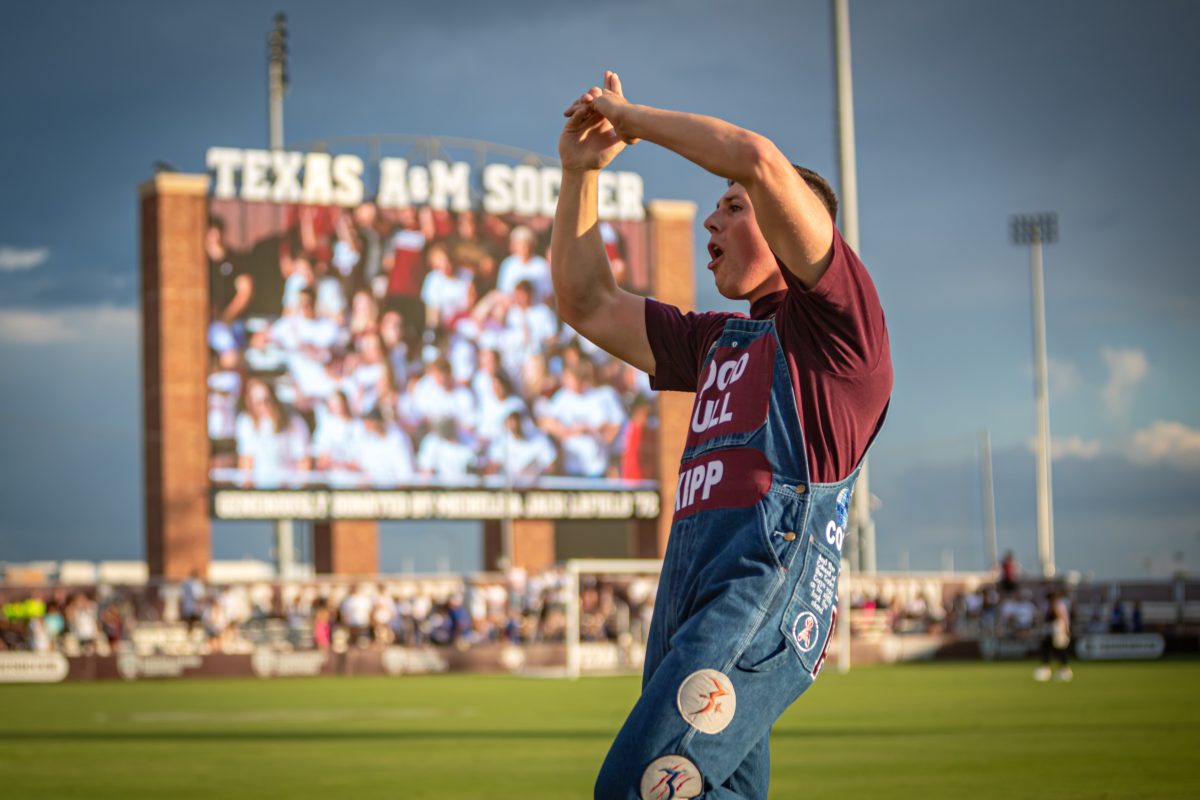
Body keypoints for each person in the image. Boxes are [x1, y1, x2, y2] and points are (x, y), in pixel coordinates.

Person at [551, 72, 891, 798]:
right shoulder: (717, 343)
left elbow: (758, 160)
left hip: (758, 596)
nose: (712, 221)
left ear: (787, 221)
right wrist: (579, 174)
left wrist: (632, 118)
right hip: (692, 604)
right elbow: (586, 301)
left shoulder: (837, 331)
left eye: (732, 208)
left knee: (631, 790)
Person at [1035, 590, 1072, 682]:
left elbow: (1062, 618)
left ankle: (1064, 670)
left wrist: (1066, 630)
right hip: (1054, 629)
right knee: (1047, 646)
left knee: (1060, 649)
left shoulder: (1057, 605)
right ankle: (1047, 668)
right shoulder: (1055, 605)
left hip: (1058, 629)